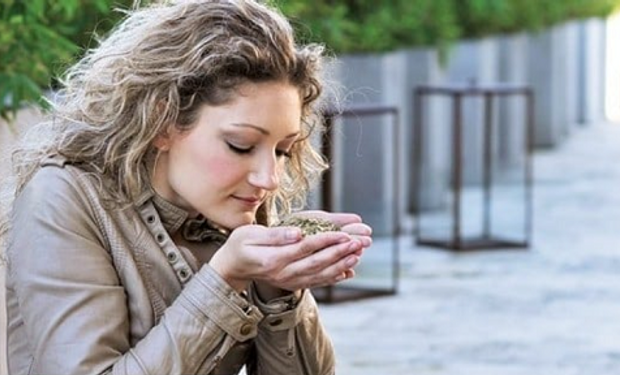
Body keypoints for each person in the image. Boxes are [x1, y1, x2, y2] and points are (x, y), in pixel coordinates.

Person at [1, 0, 373, 374]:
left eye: (281, 150)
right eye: (240, 145)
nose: (269, 178)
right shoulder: (61, 197)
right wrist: (224, 277)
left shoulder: (240, 202)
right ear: (163, 121)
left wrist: (280, 289)